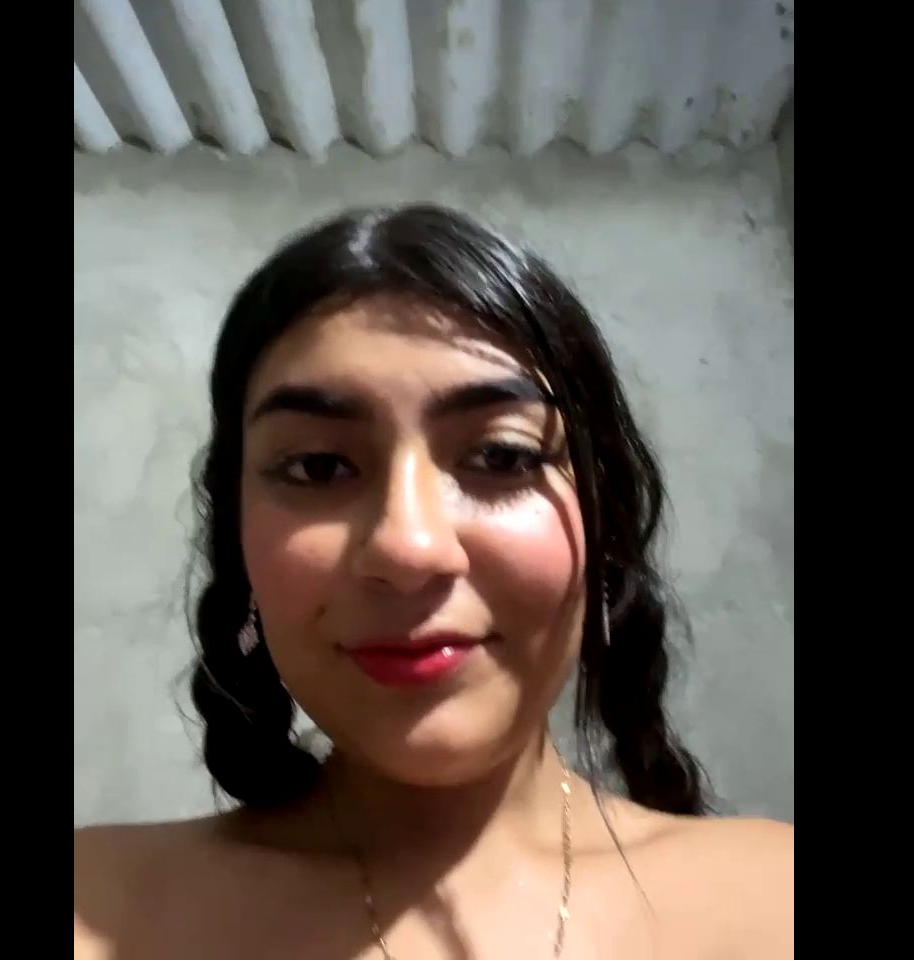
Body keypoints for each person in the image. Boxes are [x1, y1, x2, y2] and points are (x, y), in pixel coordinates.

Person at [74, 205, 793, 959]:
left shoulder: (776, 899)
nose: (409, 548)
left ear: (603, 525)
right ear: (240, 540)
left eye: (502, 457)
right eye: (318, 466)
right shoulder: (97, 913)